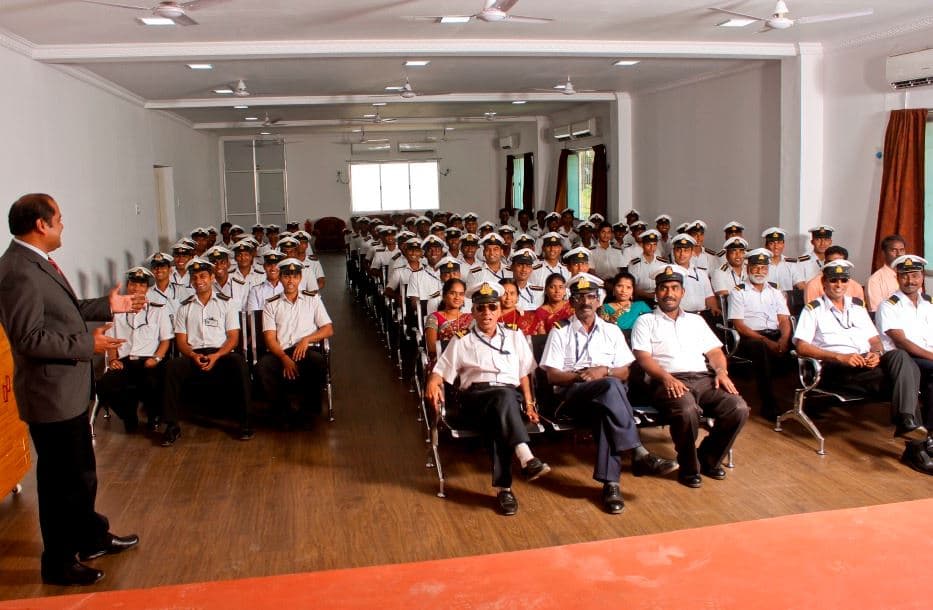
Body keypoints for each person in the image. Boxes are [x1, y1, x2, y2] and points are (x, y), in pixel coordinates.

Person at [0, 193, 143, 586]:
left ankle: (91, 536)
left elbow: (62, 311)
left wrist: (106, 306)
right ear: (41, 224)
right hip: (50, 394)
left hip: (67, 390)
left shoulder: (35, 262)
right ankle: (59, 562)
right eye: (59, 218)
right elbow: (29, 337)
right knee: (61, 482)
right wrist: (89, 345)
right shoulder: (17, 271)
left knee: (81, 474)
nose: (63, 224)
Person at [540, 273, 677, 514]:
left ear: (598, 301)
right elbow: (552, 375)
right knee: (611, 387)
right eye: (579, 297)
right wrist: (583, 375)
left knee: (607, 408)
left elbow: (624, 371)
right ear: (571, 302)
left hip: (606, 398)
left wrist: (603, 371)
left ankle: (611, 486)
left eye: (590, 297)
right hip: (573, 396)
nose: (585, 302)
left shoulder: (611, 331)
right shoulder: (559, 331)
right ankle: (637, 451)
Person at [425, 281, 549, 516]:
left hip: (508, 400)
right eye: (480, 308)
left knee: (500, 411)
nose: (486, 313)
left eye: (492, 307)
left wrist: (530, 403)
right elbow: (440, 371)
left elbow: (524, 373)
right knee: (502, 399)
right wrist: (433, 382)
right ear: (472, 311)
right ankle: (525, 455)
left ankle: (505, 489)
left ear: (500, 310)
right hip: (474, 400)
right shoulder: (461, 340)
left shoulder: (515, 336)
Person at [631, 265, 750, 488]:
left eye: (675, 288)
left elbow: (714, 351)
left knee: (738, 408)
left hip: (704, 379)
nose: (669, 293)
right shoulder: (645, 321)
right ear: (657, 293)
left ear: (682, 292)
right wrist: (666, 378)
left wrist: (721, 371)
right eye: (664, 288)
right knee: (686, 410)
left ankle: (708, 459)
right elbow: (643, 358)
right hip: (665, 381)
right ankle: (689, 467)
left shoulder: (696, 321)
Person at [793, 260, 923, 438]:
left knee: (899, 356)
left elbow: (875, 340)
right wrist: (839, 357)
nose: (839, 285)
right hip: (836, 366)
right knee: (907, 375)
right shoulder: (813, 310)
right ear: (824, 282)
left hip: (865, 363)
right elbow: (801, 347)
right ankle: (913, 431)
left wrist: (876, 353)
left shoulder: (857, 307)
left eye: (843, 280)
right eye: (833, 280)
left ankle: (906, 420)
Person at [161, 257, 253, 446]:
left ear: (211, 277)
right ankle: (171, 425)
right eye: (194, 278)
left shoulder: (227, 303)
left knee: (239, 363)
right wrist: (194, 355)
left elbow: (233, 337)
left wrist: (217, 355)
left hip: (221, 353)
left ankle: (245, 422)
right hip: (194, 354)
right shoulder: (184, 307)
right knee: (171, 366)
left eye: (203, 276)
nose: (198, 281)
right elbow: (181, 342)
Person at [257, 258, 334, 427]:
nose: (290, 281)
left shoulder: (312, 299)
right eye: (286, 276)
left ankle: (309, 413)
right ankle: (282, 410)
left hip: (306, 350)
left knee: (316, 362)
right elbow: (269, 339)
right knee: (263, 366)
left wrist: (307, 339)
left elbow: (328, 329)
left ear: (300, 278)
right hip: (281, 352)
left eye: (294, 276)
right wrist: (284, 358)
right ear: (280, 277)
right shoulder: (271, 304)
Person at [875, 254, 933, 473]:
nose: (911, 281)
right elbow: (902, 342)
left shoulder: (929, 304)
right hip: (903, 361)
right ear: (897, 278)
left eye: (915, 275)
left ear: (922, 278)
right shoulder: (889, 305)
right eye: (905, 276)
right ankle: (920, 444)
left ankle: (926, 442)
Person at [97, 266, 173, 433]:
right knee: (105, 384)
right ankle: (128, 416)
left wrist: (157, 359)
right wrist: (113, 360)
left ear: (147, 288)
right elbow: (110, 340)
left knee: (152, 382)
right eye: (133, 284)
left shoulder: (158, 309)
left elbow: (165, 341)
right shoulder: (116, 311)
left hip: (149, 360)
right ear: (127, 286)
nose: (137, 289)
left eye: (141, 285)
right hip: (125, 360)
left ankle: (154, 416)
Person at [727, 248, 794, 420]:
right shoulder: (738, 291)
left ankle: (804, 402)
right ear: (748, 268)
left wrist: (785, 339)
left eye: (763, 268)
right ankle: (769, 404)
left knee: (801, 344)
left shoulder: (775, 291)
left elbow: (784, 320)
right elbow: (739, 325)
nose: (759, 272)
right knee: (760, 348)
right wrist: (767, 341)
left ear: (768, 270)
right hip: (750, 338)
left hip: (775, 335)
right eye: (755, 267)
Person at [424, 278, 473, 369]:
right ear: (444, 296)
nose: (457, 297)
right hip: (443, 362)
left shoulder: (470, 318)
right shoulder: (434, 317)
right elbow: (432, 348)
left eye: (461, 294)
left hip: (468, 361)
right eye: (452, 293)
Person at [669, 233, 718, 318]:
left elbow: (709, 296)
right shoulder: (667, 274)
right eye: (678, 250)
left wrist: (714, 308)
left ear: (692, 252)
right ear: (673, 252)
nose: (682, 254)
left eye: (686, 250)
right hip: (679, 316)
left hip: (702, 316)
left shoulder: (701, 273)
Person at [866, 235, 907, 313]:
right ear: (884, 253)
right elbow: (877, 312)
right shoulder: (875, 280)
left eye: (902, 250)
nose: (899, 254)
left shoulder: (911, 277)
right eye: (894, 250)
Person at [628, 229, 668, 300]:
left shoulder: (662, 263)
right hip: (640, 298)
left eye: (654, 245)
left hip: (659, 297)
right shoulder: (634, 264)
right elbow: (631, 286)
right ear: (642, 245)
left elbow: (665, 283)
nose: (652, 248)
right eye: (648, 245)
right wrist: (648, 295)